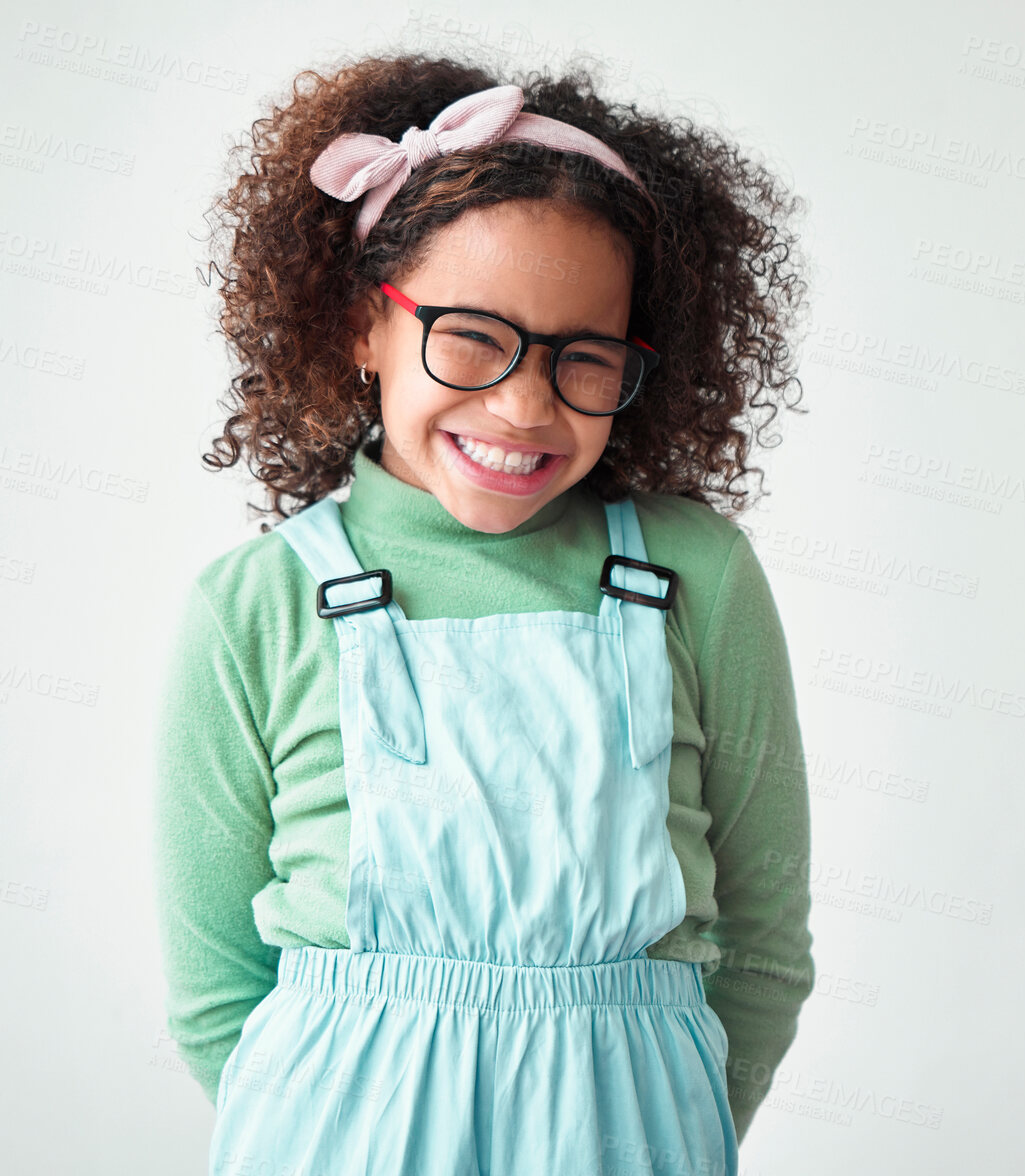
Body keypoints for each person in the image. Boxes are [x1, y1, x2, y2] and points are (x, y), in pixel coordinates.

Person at [151, 52, 814, 1174]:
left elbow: (762, 950)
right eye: (470, 335)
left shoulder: (696, 577)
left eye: (584, 358)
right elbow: (214, 989)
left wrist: (676, 1124)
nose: (522, 404)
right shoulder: (254, 606)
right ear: (363, 326)